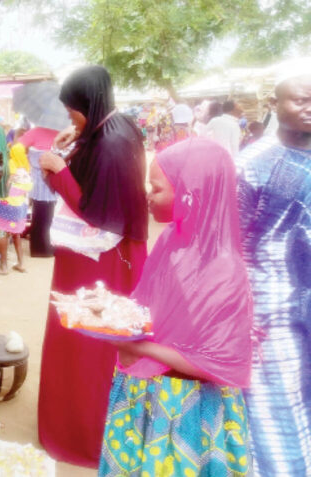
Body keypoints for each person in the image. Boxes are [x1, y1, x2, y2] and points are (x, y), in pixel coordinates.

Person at [99, 137, 253, 476]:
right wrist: (112, 315)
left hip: (188, 408)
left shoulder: (223, 268)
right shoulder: (173, 240)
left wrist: (138, 346)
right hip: (146, 395)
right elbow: (149, 307)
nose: (148, 195)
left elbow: (218, 363)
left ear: (189, 193)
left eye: (156, 188)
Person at [37, 65, 148, 468]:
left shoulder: (113, 143)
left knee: (87, 346)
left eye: (73, 113)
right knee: (77, 340)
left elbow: (97, 212)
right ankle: (72, 426)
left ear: (90, 104)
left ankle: (83, 436)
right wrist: (75, 139)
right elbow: (95, 181)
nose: (69, 120)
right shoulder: (113, 128)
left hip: (97, 261)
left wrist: (58, 170)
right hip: (89, 258)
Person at [237, 66, 311, 476]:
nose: (309, 108)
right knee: (274, 411)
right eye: (300, 99)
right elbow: (230, 243)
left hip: (306, 303)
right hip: (268, 311)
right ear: (273, 105)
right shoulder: (252, 164)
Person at [0, 129, 31, 275]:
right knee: (16, 233)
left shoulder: (9, 164)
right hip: (20, 206)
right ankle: (20, 264)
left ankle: (3, 266)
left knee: (2, 233)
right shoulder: (24, 165)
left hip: (8, 204)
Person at [19, 127, 60, 257]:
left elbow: (17, 147)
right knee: (47, 217)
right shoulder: (59, 133)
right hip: (50, 181)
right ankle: (44, 249)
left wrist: (27, 161)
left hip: (38, 182)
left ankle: (37, 249)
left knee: (39, 216)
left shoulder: (34, 132)